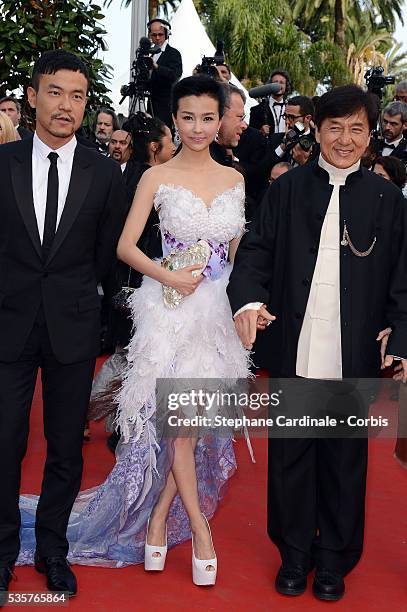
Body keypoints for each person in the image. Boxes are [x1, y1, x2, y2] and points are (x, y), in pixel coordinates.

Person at [17, 75, 251, 588]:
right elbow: (125, 247)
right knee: (180, 428)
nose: (197, 127)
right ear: (174, 121)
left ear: (222, 121)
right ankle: (198, 527)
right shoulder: (155, 177)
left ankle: (158, 517)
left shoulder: (235, 180)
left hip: (214, 316)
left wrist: (247, 305)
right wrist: (168, 276)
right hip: (168, 313)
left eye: (208, 118)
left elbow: (237, 256)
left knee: (186, 430)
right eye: (186, 118)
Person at [227, 85, 407, 601]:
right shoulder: (287, 190)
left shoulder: (387, 199)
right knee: (290, 460)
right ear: (316, 129)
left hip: (354, 351)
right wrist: (246, 301)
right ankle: (294, 556)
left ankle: (333, 560)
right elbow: (255, 254)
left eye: (356, 129)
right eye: (335, 127)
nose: (345, 139)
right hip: (296, 344)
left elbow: (402, 277)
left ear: (370, 135)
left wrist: (402, 332)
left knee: (344, 464)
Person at [0, 49, 127, 599]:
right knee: (4, 442)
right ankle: (3, 550)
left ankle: (54, 548)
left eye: (78, 96)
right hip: (8, 324)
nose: (66, 106)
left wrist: (87, 308)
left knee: (64, 447)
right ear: (32, 97)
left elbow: (108, 256)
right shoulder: (1, 164)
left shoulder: (104, 173)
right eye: (55, 92)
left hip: (74, 327)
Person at [89, 113, 175, 453]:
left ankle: (116, 422)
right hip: (139, 281)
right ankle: (96, 412)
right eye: (169, 141)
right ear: (155, 147)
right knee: (130, 356)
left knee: (129, 354)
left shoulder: (127, 177)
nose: (174, 147)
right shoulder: (153, 181)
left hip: (124, 279)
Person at [147, 18, 183, 128]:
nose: (157, 38)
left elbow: (175, 75)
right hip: (151, 106)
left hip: (165, 108)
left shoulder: (173, 53)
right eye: (154, 35)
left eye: (160, 34)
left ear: (166, 35)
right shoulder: (150, 54)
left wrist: (157, 67)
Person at [249, 70, 291, 136]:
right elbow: (250, 136)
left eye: (281, 82)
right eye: (275, 82)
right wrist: (260, 132)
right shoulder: (256, 110)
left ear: (286, 87)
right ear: (269, 86)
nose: (278, 85)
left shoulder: (291, 109)